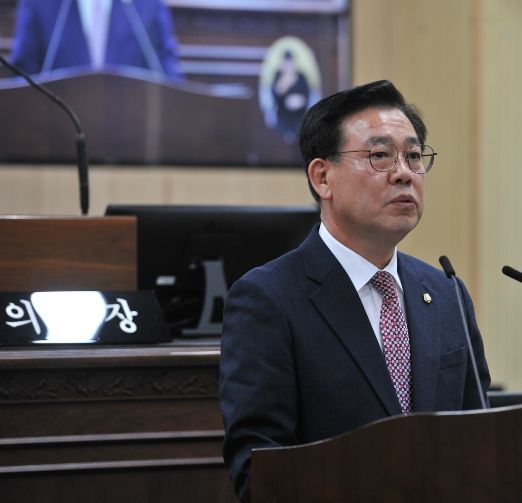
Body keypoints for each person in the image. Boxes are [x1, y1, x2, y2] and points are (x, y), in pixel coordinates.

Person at [219, 80, 491, 502]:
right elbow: (260, 467)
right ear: (322, 177)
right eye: (380, 155)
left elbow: (481, 440)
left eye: (414, 156)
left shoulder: (445, 293)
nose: (404, 172)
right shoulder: (268, 299)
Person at [10, 0, 181, 79]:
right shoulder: (38, 3)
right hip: (57, 129)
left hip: (132, 131)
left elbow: (167, 73)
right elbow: (23, 73)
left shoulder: (148, 3)